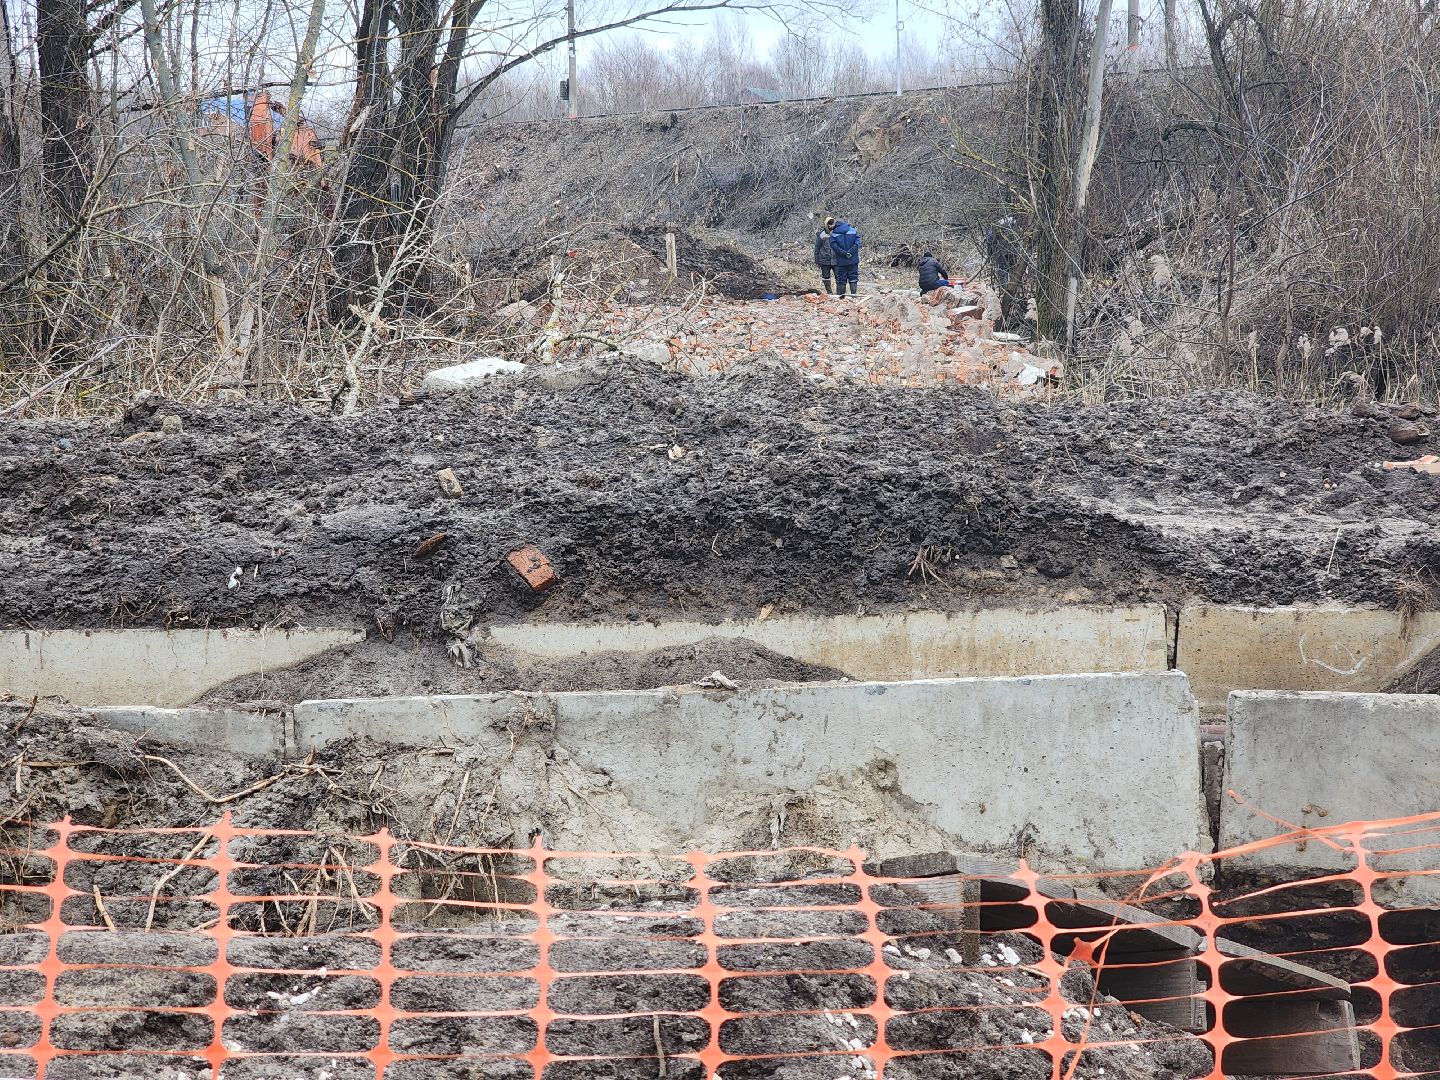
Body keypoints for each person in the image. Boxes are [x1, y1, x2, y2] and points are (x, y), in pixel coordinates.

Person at [829, 217, 861, 296]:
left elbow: (834, 246)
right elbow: (857, 243)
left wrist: (844, 253)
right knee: (853, 277)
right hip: (853, 259)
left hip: (841, 260)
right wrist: (850, 252)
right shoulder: (853, 230)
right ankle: (854, 296)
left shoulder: (834, 234)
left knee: (842, 279)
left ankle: (842, 299)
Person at [983, 216, 1019, 286]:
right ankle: (1015, 290)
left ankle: (1005, 291)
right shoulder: (1013, 222)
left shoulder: (995, 226)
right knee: (1014, 272)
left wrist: (989, 255)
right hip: (1013, 252)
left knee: (1003, 272)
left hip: (1001, 253)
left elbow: (989, 240)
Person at [813, 218, 837, 294]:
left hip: (835, 259)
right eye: (829, 224)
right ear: (826, 225)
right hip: (824, 260)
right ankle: (829, 292)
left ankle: (839, 293)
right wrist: (817, 260)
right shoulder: (821, 235)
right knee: (826, 277)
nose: (831, 226)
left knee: (839, 277)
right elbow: (817, 248)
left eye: (832, 224)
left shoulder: (837, 233)